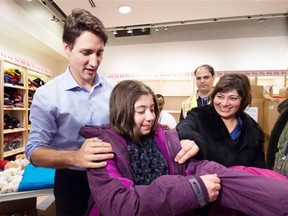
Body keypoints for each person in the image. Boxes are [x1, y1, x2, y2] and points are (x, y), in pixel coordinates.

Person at [25, 9, 199, 215]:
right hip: (73, 182)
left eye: (99, 53)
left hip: (118, 176)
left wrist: (179, 138)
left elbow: (143, 122)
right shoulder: (47, 95)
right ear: (67, 48)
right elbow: (34, 151)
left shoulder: (115, 90)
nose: (94, 62)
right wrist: (75, 157)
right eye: (86, 52)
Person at [80, 80, 288, 216]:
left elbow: (190, 167)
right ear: (122, 111)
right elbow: (122, 205)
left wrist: (215, 175)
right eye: (141, 111)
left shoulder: (161, 136)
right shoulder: (102, 149)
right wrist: (193, 188)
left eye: (152, 109)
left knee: (238, 176)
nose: (151, 117)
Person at [177, 73, 266, 168]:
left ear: (242, 100)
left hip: (242, 182)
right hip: (209, 180)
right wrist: (187, 138)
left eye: (233, 98)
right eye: (220, 97)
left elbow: (259, 168)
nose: (224, 103)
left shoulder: (253, 129)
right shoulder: (199, 115)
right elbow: (184, 126)